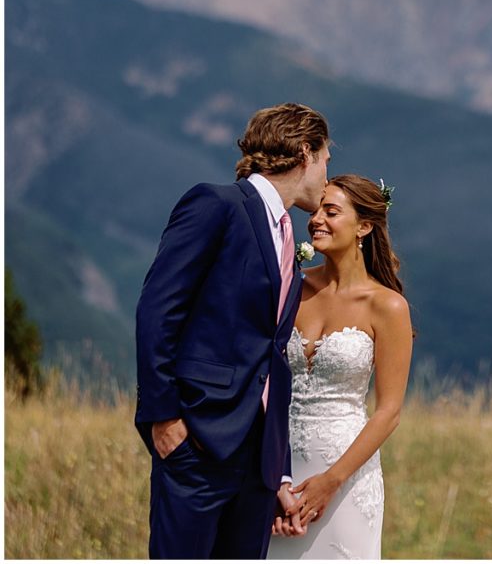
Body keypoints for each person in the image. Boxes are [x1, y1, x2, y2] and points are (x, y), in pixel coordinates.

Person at [135, 102, 330, 558]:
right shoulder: (217, 205)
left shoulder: (286, 234)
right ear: (305, 152)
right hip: (196, 443)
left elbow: (269, 353)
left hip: (257, 461)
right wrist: (165, 420)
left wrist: (277, 469)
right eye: (325, 160)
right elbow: (156, 312)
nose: (326, 174)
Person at [267, 174, 414, 559]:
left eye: (331, 211)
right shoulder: (290, 289)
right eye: (315, 210)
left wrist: (332, 481)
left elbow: (389, 412)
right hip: (279, 467)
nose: (316, 219)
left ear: (364, 225)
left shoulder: (387, 306)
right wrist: (270, 478)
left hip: (346, 474)